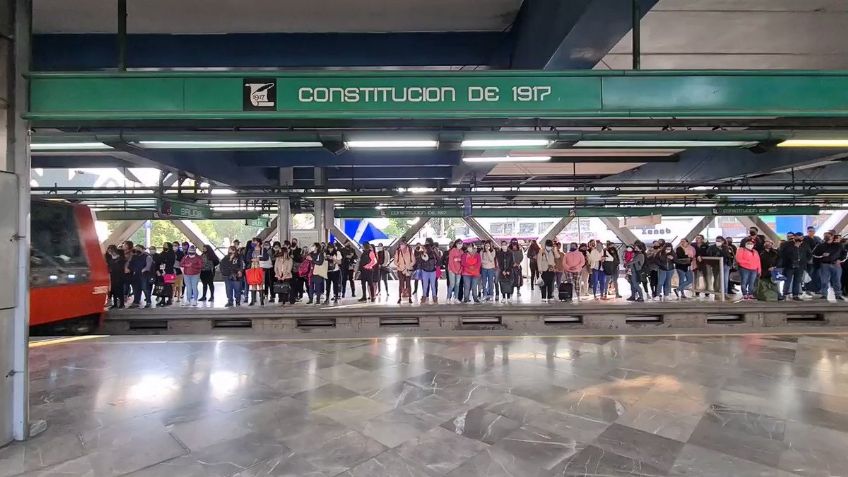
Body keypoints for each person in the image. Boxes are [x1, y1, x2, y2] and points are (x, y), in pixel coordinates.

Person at [812, 231, 846, 301]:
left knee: (837, 281)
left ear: (832, 237)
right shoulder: (820, 245)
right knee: (824, 281)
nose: (827, 237)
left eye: (828, 236)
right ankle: (824, 294)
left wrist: (840, 260)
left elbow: (844, 253)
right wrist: (821, 255)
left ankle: (838, 295)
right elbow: (814, 254)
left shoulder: (838, 245)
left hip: (836, 265)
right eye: (826, 236)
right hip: (825, 265)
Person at [780, 232, 808, 301]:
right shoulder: (787, 244)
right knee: (787, 280)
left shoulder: (805, 244)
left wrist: (804, 261)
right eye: (797, 237)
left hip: (800, 266)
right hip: (789, 265)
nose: (799, 239)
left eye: (801, 238)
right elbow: (783, 254)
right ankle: (785, 294)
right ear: (794, 237)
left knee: (797, 281)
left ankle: (795, 295)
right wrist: (795, 247)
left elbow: (809, 254)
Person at [803, 226, 822, 295]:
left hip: (817, 260)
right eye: (810, 231)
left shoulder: (818, 238)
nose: (811, 232)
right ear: (807, 232)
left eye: (813, 231)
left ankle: (817, 289)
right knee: (809, 275)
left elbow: (821, 246)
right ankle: (808, 289)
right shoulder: (805, 238)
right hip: (809, 260)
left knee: (817, 275)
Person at [395, 239, 414, 304]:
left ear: (406, 245)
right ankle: (399, 297)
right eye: (400, 245)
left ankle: (410, 297)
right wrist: (401, 267)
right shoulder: (398, 251)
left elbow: (413, 261)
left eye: (402, 244)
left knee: (408, 284)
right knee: (401, 284)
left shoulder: (410, 251)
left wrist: (408, 267)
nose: (401, 246)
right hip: (400, 270)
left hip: (408, 270)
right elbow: (395, 261)